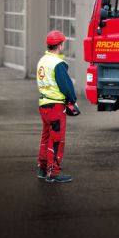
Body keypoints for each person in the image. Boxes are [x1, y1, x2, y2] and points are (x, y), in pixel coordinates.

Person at [36, 30, 78, 183]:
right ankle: (53, 172)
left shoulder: (42, 61)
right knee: (56, 140)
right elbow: (66, 86)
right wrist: (72, 99)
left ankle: (42, 168)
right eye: (63, 43)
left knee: (46, 137)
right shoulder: (57, 63)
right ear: (60, 45)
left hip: (44, 105)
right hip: (55, 107)